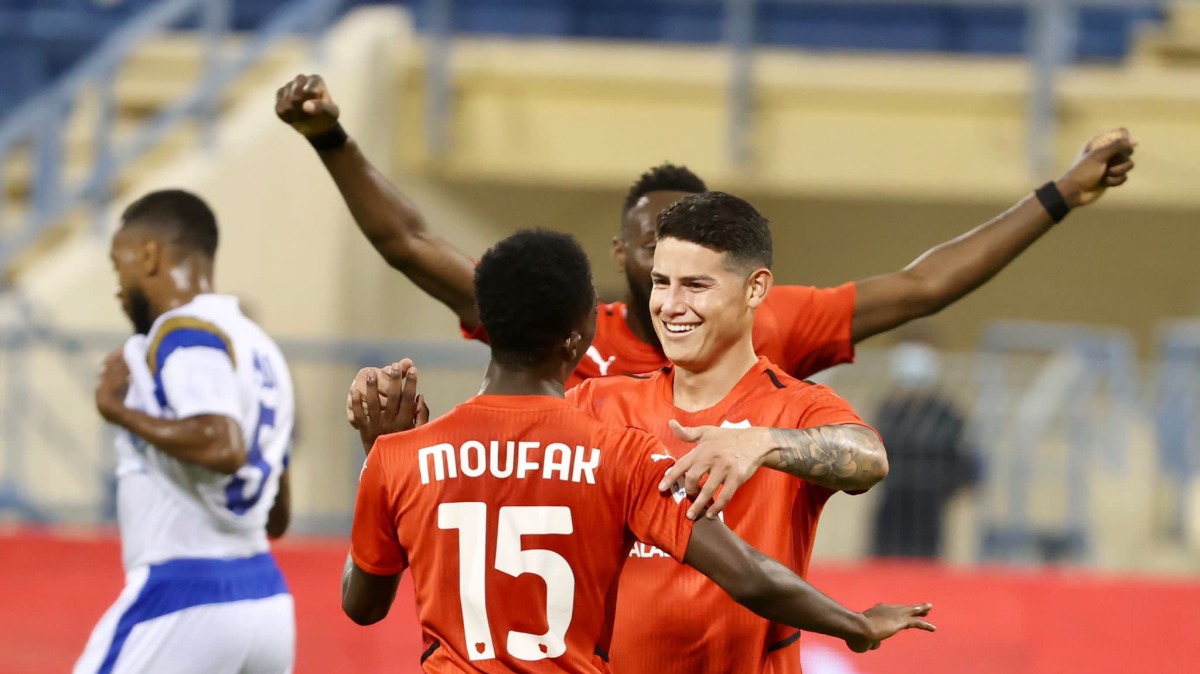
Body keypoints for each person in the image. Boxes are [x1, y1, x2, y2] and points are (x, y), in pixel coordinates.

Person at [341, 228, 935, 674]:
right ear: (583, 330)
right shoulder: (610, 436)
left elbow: (869, 458)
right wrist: (853, 625)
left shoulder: (410, 457)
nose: (670, 304)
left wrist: (380, 453)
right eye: (660, 283)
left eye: (694, 284)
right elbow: (743, 572)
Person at [275, 73, 1136, 388]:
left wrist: (1060, 194)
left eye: (689, 240)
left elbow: (924, 285)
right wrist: (330, 141)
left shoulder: (771, 328)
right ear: (621, 256)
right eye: (651, 241)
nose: (667, 255)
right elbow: (411, 245)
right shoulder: (564, 334)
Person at [25, 190, 296, 674]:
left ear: (149, 254)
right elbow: (276, 507)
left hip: (184, 591)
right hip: (264, 602)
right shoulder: (261, 349)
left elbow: (222, 442)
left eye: (118, 262)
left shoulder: (182, 334)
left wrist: (121, 411)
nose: (117, 282)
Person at [870, 338, 980, 558]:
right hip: (893, 503)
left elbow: (959, 457)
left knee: (925, 561)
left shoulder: (945, 414)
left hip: (928, 505)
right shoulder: (890, 411)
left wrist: (947, 486)